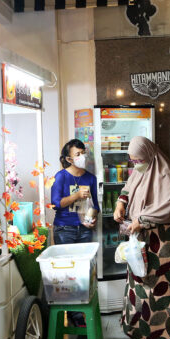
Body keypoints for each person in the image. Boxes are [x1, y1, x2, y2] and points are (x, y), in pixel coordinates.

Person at [113, 136, 170, 339]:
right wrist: (121, 203)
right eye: (132, 161)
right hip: (141, 240)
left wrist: (142, 220)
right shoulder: (141, 170)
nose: (135, 165)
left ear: (149, 155)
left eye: (138, 160)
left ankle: (166, 336)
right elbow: (128, 188)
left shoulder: (166, 173)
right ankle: (137, 329)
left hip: (164, 242)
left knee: (163, 289)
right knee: (140, 284)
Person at [51, 139, 100, 328]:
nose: (82, 156)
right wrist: (76, 196)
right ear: (69, 159)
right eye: (77, 154)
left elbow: (95, 205)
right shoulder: (61, 176)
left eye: (83, 152)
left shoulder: (90, 178)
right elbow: (56, 203)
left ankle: (82, 310)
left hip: (84, 230)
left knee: (84, 272)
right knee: (68, 274)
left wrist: (91, 219)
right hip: (65, 229)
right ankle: (75, 316)